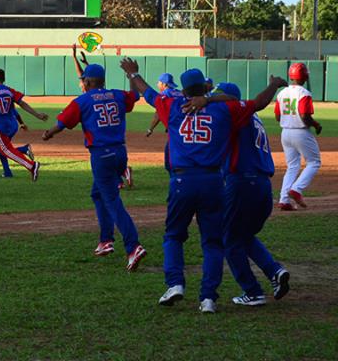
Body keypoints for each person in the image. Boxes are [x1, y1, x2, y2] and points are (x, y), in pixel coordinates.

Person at [121, 60, 283, 313]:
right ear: (205, 89)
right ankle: (208, 298)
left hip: (182, 181)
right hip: (213, 182)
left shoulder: (172, 105)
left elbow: (148, 92)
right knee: (212, 243)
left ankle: (175, 284)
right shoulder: (225, 110)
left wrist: (132, 72)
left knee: (174, 236)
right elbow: (258, 103)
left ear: (183, 91)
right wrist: (273, 84)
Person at [42, 63, 147, 271]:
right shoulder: (116, 95)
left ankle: (133, 246)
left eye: (84, 80)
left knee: (112, 201)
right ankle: (106, 241)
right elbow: (135, 96)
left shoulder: (82, 101)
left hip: (101, 155)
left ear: (88, 81)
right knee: (98, 194)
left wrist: (48, 133)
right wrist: (131, 75)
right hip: (120, 153)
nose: (83, 83)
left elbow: (62, 123)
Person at [207, 82, 291, 306]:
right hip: (263, 185)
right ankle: (275, 272)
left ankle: (252, 291)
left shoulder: (235, 115)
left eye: (219, 98)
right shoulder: (253, 117)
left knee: (230, 240)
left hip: (241, 182)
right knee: (243, 235)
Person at [0, 69, 46, 181]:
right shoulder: (9, 91)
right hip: (6, 125)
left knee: (5, 150)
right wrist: (36, 114)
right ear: (4, 79)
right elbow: (22, 103)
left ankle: (31, 166)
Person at [275, 62, 322, 210]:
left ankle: (284, 199)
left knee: (292, 166)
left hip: (285, 133)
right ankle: (296, 189)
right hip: (300, 132)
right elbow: (304, 116)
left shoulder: (281, 93)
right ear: (305, 76)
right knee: (314, 162)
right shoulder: (304, 93)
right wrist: (316, 125)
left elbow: (277, 116)